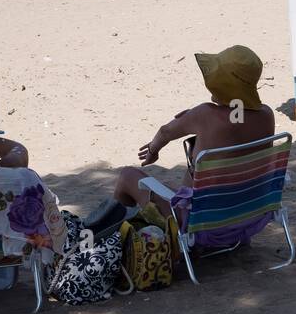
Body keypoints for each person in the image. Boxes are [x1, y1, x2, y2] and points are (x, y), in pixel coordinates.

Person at [114, 46, 275, 230]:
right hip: (247, 218)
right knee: (171, 185)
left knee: (127, 176)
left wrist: (153, 150)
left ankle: (115, 242)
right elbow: (236, 126)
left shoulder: (205, 114)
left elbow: (165, 132)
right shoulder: (267, 115)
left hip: (199, 224)